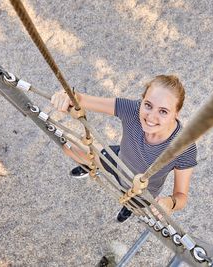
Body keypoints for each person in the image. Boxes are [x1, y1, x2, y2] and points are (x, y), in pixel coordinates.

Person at [51, 75, 197, 222]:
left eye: (163, 111)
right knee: (68, 147)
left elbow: (181, 196)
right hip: (118, 162)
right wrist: (66, 96)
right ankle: (91, 166)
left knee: (131, 203)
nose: (151, 117)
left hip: (140, 191)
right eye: (148, 105)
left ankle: (128, 207)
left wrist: (170, 203)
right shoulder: (133, 110)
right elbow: (81, 99)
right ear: (142, 100)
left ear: (176, 113)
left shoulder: (183, 147)